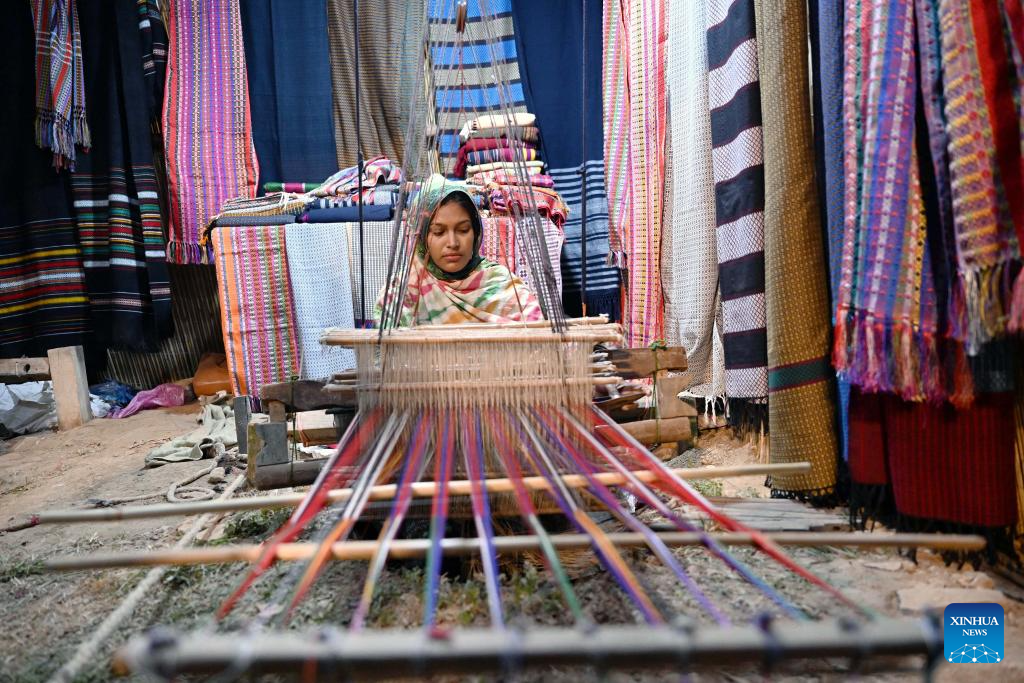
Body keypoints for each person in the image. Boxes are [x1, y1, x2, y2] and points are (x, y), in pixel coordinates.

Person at [374, 174, 543, 326]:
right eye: (438, 232)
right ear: (422, 237)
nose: (453, 243)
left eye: (463, 230)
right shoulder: (402, 293)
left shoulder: (501, 285)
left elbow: (538, 345)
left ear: (476, 232)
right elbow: (383, 355)